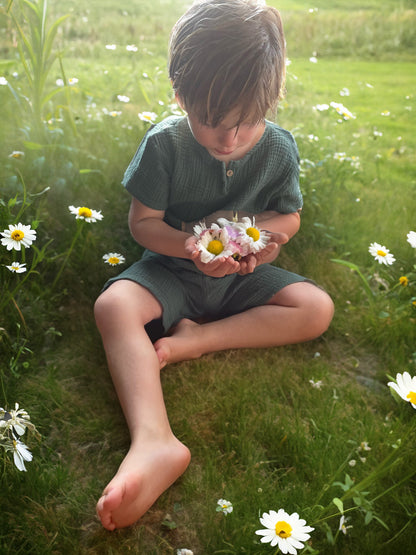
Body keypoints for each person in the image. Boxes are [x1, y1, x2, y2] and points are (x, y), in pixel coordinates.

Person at [94, 0, 334, 531]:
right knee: (113, 305)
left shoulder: (279, 150)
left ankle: (193, 340)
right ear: (181, 97)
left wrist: (268, 240)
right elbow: (143, 224)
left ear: (271, 101)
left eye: (247, 123)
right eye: (211, 121)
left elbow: (288, 215)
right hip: (172, 272)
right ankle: (154, 440)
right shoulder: (165, 144)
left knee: (315, 307)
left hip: (241, 282)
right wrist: (191, 247)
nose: (229, 139)